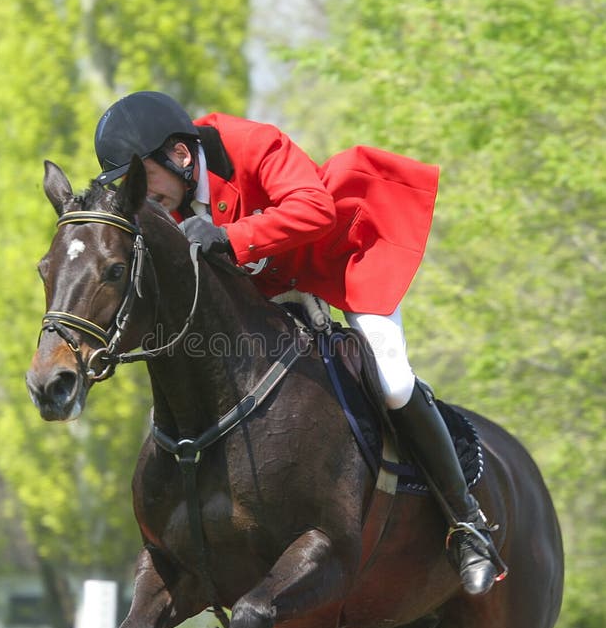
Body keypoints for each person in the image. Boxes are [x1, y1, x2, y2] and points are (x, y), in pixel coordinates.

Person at [93, 90, 502, 596]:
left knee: (393, 381)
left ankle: (468, 525)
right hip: (265, 293)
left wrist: (229, 237)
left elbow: (315, 210)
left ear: (178, 156)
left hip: (339, 260)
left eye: (146, 186)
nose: (144, 201)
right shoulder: (168, 199)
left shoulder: (252, 144)